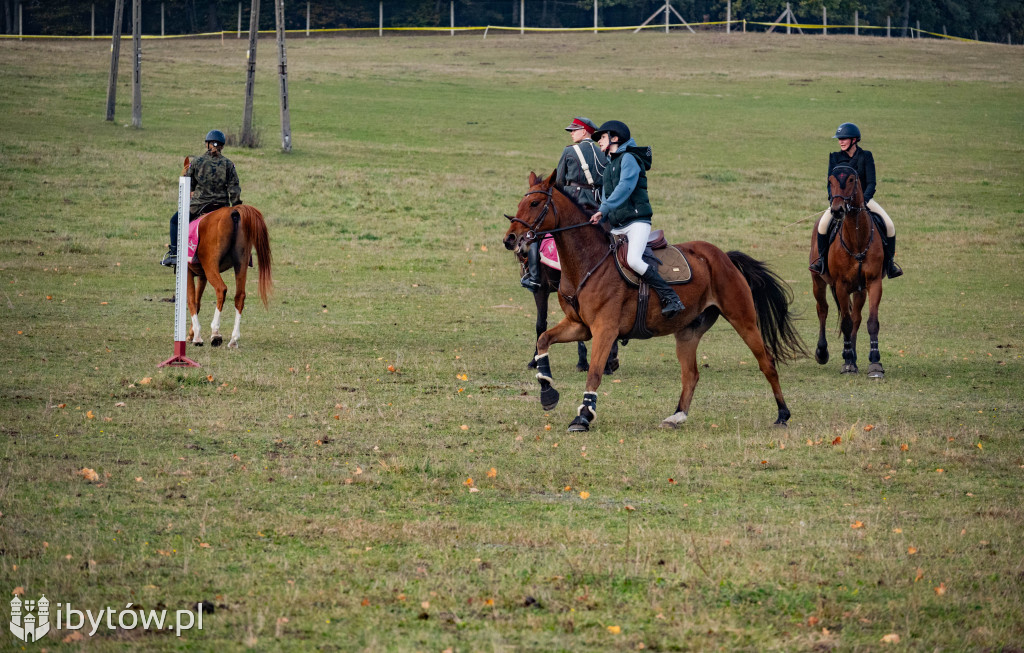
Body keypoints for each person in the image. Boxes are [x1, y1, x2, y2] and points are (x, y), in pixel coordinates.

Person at [589, 120, 684, 318]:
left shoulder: (629, 159)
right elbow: (606, 197)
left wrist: (605, 208)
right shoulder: (609, 165)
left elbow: (625, 187)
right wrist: (601, 214)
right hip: (617, 225)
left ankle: (671, 298)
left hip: (636, 223)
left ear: (615, 138)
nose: (599, 141)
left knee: (633, 260)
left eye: (603, 137)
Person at [520, 117, 608, 292]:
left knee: (537, 230)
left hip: (574, 205)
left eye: (574, 130)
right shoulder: (602, 154)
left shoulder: (570, 151)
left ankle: (535, 277)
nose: (572, 134)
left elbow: (558, 183)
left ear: (584, 132)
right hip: (596, 206)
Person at [810, 122, 902, 278]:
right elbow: (830, 183)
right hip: (840, 201)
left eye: (844, 138)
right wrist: (833, 200)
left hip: (864, 201)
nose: (840, 141)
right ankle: (821, 262)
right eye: (839, 139)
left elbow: (871, 183)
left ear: (854, 140)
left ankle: (890, 264)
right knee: (823, 225)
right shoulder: (835, 157)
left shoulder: (866, 156)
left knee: (889, 225)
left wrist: (863, 202)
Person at [160, 129, 242, 266]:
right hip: (222, 206)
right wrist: (236, 207)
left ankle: (174, 253)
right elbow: (234, 189)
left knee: (175, 221)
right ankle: (243, 254)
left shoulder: (197, 162)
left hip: (199, 206)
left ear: (207, 144)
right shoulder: (229, 164)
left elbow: (187, 184)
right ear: (222, 146)